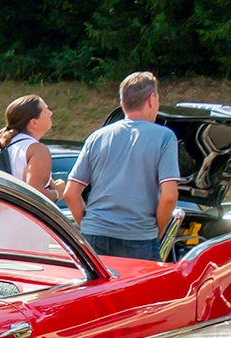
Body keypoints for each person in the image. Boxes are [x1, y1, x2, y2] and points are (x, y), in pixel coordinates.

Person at [63, 71, 180, 261]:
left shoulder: (97, 137)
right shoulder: (164, 137)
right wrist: (157, 231)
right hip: (139, 238)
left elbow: (70, 193)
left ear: (122, 103)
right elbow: (169, 196)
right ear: (152, 99)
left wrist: (87, 225)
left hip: (94, 236)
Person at [0, 95, 63, 202]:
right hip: (16, 218)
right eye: (45, 111)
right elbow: (35, 197)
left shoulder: (4, 145)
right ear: (34, 123)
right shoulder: (37, 150)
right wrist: (58, 192)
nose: (50, 113)